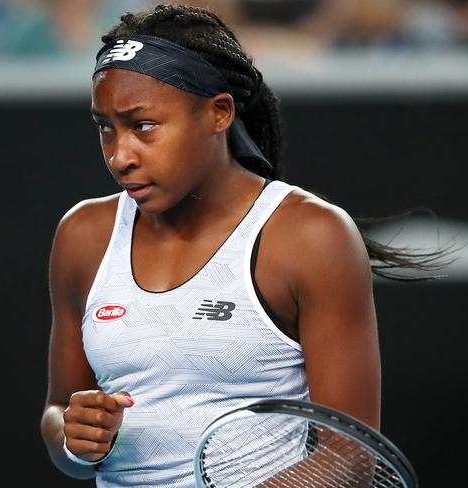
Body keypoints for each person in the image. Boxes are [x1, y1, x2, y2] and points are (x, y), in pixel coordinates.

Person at [40, 4, 444, 486]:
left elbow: (351, 459)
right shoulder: (82, 234)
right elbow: (59, 412)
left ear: (219, 113)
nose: (120, 155)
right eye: (106, 127)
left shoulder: (311, 237)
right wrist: (75, 439)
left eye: (143, 125)